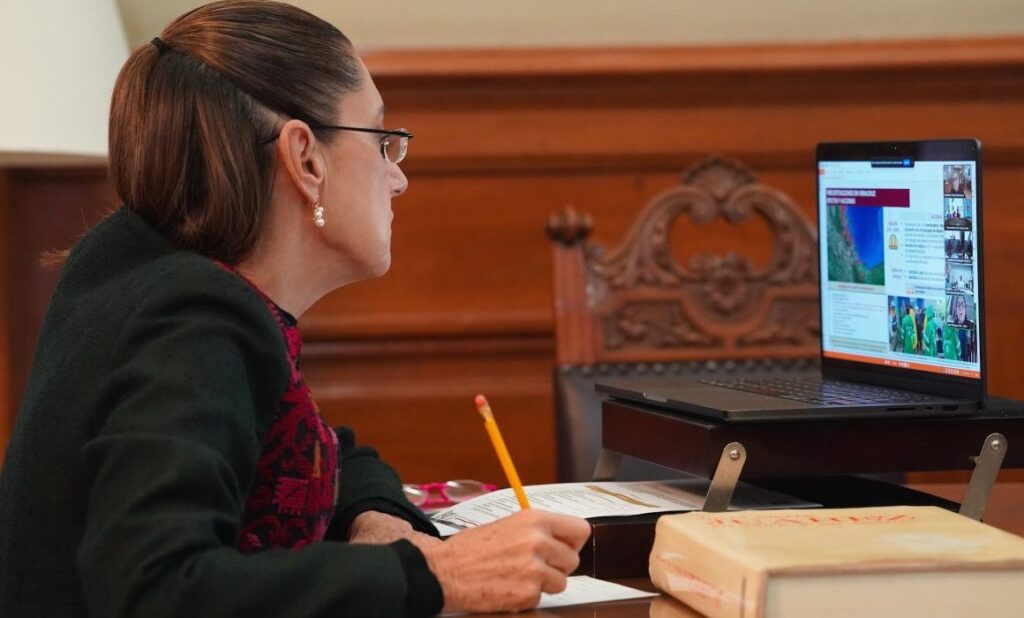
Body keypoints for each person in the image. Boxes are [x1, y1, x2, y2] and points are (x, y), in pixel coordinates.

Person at [0, 2, 590, 616]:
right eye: (382, 142)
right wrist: (437, 574)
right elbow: (156, 589)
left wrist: (373, 516)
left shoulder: (146, 270)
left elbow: (314, 446)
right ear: (306, 159)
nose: (398, 180)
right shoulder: (194, 320)